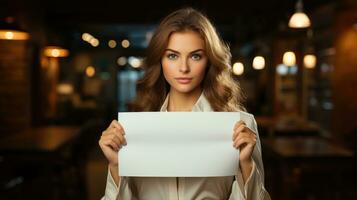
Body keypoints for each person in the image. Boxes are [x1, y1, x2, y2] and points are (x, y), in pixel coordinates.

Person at [99, 7, 270, 200]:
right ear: (160, 60)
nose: (183, 68)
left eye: (195, 56)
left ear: (208, 61)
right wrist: (115, 166)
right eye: (173, 55)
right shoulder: (132, 129)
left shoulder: (240, 125)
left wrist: (246, 165)